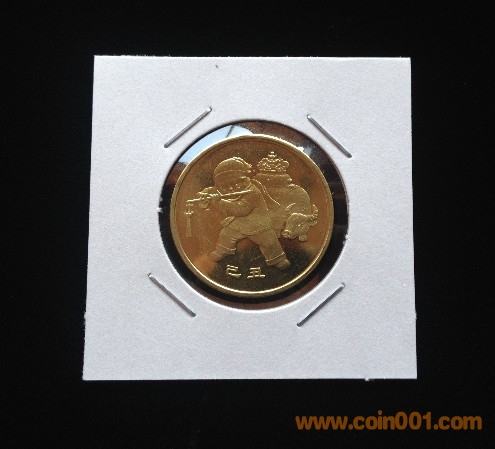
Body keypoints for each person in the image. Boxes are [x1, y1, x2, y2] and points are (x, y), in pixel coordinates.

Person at [202, 157, 290, 270]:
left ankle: (278, 259)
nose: (231, 188)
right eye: (226, 185)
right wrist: (207, 194)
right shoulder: (233, 189)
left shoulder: (253, 192)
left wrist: (220, 201)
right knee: (226, 234)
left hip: (257, 224)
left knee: (269, 242)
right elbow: (216, 191)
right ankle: (222, 250)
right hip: (239, 223)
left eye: (235, 183)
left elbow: (240, 209)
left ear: (245, 178)